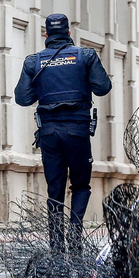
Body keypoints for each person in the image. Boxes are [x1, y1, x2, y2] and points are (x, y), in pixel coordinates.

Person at [14, 13, 112, 247]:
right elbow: (103, 87)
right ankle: (76, 239)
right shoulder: (85, 56)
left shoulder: (33, 62)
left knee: (54, 190)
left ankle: (57, 245)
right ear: (69, 33)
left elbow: (22, 98)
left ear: (46, 34)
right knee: (80, 185)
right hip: (77, 131)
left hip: (49, 134)